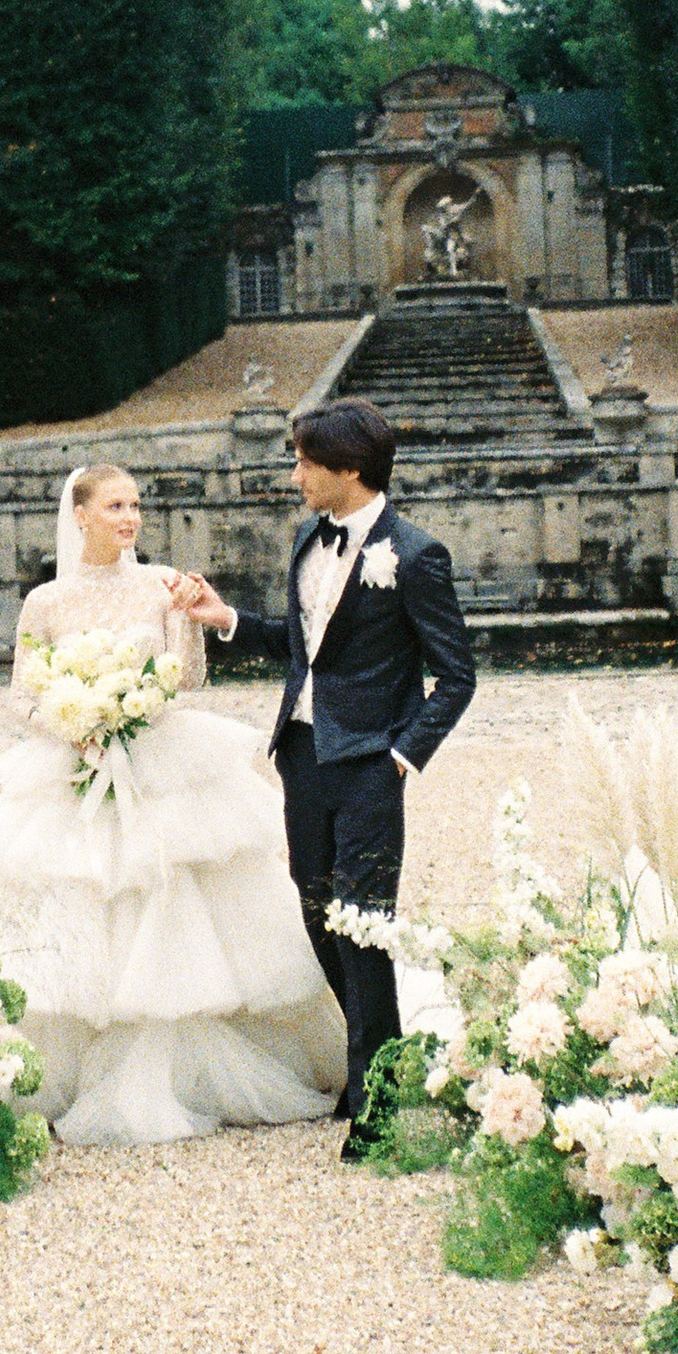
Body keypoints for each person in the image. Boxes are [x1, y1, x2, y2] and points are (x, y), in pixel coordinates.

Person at [0, 462, 348, 1147]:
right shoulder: (44, 602)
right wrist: (76, 725)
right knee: (81, 902)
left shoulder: (163, 581)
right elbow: (21, 695)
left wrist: (179, 629)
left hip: (160, 756)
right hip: (77, 762)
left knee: (177, 903)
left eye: (135, 505)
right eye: (114, 505)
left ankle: (190, 1070)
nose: (129, 517)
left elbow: (186, 675)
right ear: (79, 514)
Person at [170, 399, 477, 1144]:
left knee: (362, 925)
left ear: (350, 468)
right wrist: (228, 618)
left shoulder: (416, 555)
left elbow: (457, 676)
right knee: (318, 916)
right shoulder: (309, 536)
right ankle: (387, 1063)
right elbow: (305, 645)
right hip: (302, 758)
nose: (296, 472)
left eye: (307, 460)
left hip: (373, 765)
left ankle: (374, 1106)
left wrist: (401, 757)